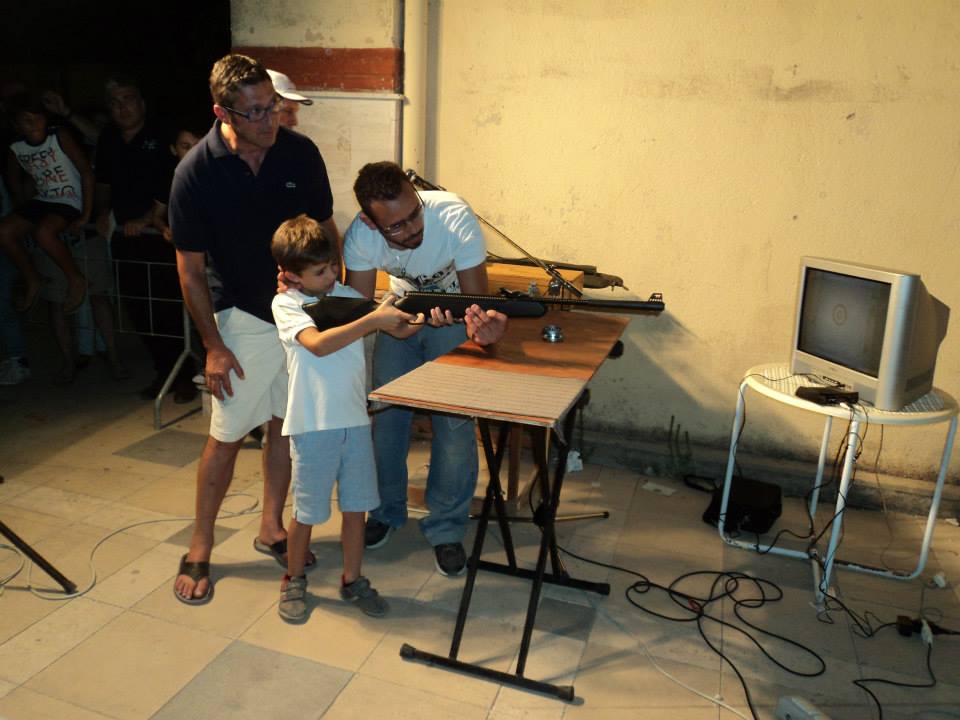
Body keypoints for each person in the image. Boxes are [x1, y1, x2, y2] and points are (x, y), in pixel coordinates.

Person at [169, 53, 339, 604]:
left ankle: (271, 526)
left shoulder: (299, 152)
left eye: (274, 107)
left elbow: (325, 229)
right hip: (240, 316)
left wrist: (329, 299)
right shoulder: (196, 171)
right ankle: (201, 543)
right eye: (256, 112)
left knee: (283, 426)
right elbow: (190, 270)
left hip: (296, 313)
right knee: (226, 435)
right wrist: (213, 346)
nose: (271, 120)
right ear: (223, 113)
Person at [342, 161, 507, 576]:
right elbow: (357, 312)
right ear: (370, 221)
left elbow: (475, 305)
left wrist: (478, 327)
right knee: (386, 419)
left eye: (415, 213)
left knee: (453, 424)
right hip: (398, 315)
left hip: (452, 318)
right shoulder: (360, 237)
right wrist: (390, 323)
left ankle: (447, 528)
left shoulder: (453, 215)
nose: (413, 229)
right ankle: (385, 511)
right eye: (396, 227)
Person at [270, 214, 418, 621]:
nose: (332, 275)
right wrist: (371, 319)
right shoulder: (286, 303)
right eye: (320, 271)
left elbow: (399, 330)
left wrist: (421, 317)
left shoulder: (346, 295)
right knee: (306, 512)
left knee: (356, 509)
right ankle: (294, 578)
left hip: (355, 421)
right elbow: (317, 344)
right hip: (313, 425)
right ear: (291, 274)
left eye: (333, 265)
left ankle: (353, 579)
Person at [94, 75, 195, 402]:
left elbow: (173, 182)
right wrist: (102, 213)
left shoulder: (162, 134)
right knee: (139, 309)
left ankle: (184, 375)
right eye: (115, 102)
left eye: (128, 99)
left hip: (160, 235)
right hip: (124, 234)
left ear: (141, 102)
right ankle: (163, 372)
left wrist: (149, 218)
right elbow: (103, 183)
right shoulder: (108, 138)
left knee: (170, 308)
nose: (122, 108)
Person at [0, 92, 90, 314]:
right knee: (4, 231)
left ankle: (75, 278)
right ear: (16, 124)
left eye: (38, 117)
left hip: (69, 197)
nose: (33, 124)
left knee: (44, 233)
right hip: (43, 198)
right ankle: (32, 278)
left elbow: (86, 172)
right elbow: (14, 180)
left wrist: (86, 214)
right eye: (26, 119)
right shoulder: (16, 146)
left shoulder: (58, 135)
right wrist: (22, 212)